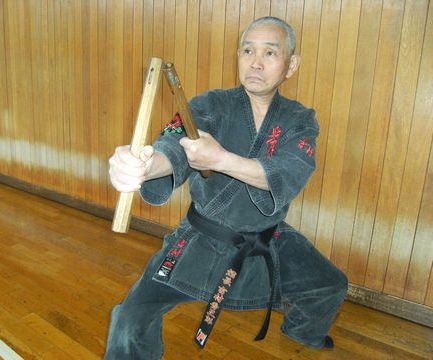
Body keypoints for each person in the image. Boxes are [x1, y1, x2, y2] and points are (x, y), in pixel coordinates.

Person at [105, 16, 348, 360]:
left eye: (270, 53)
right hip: (202, 239)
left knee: (331, 284)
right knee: (130, 319)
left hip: (267, 238)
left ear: (291, 65)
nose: (256, 62)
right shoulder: (210, 105)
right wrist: (144, 166)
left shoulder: (299, 120)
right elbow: (174, 146)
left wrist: (219, 159)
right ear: (238, 55)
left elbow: (289, 172)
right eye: (248, 50)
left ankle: (302, 331)